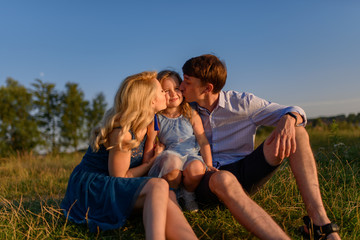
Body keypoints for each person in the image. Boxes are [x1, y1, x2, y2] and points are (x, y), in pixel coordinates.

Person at [179, 54, 341, 240]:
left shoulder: (242, 103)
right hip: (204, 178)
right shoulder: (182, 107)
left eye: (187, 82)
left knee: (298, 132)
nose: (181, 87)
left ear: (207, 88)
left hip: (245, 172)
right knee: (223, 178)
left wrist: (288, 119)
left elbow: (294, 110)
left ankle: (320, 224)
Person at [61, 71, 197, 240]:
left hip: (115, 183)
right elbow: (120, 177)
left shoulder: (150, 123)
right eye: (161, 91)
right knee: (158, 186)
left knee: (166, 192)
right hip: (95, 186)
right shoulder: (123, 132)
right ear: (150, 100)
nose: (165, 93)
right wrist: (150, 163)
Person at [144, 70, 215, 212]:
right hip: (170, 155)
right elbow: (150, 144)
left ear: (182, 88)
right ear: (158, 94)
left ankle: (188, 195)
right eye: (166, 91)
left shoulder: (190, 113)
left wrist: (209, 164)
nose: (173, 94)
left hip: (191, 154)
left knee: (196, 169)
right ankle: (173, 196)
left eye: (176, 88)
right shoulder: (157, 118)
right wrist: (146, 166)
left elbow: (202, 140)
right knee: (172, 164)